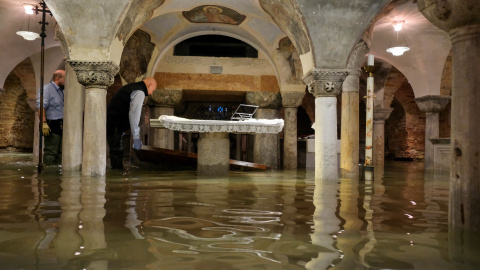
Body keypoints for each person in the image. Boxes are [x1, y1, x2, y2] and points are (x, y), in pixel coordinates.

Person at [106, 77, 157, 169]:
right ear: (149, 85)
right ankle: (117, 179)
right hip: (115, 123)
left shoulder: (131, 87)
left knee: (116, 152)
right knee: (116, 152)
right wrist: (136, 138)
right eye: (152, 90)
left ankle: (116, 176)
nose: (151, 93)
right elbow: (134, 114)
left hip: (112, 121)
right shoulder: (139, 92)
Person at [36, 70, 65, 166]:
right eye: (65, 78)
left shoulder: (61, 91)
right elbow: (41, 107)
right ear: (58, 78)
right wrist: (44, 123)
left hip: (61, 124)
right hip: (52, 124)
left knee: (61, 153)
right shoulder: (47, 89)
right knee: (51, 152)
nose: (66, 81)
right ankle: (48, 176)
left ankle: (58, 176)